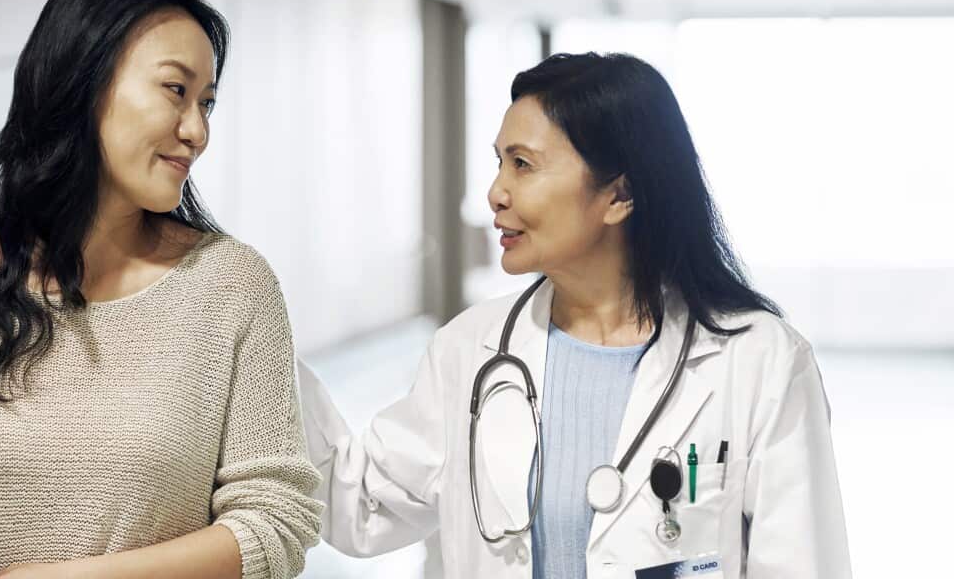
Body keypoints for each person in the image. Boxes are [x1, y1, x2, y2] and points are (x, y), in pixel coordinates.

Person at [0, 0, 321, 579]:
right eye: (175, 90)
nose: (196, 130)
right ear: (82, 83)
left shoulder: (233, 285)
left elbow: (277, 520)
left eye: (207, 102)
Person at [300, 52, 851, 578]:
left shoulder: (760, 361)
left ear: (619, 196)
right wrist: (257, 339)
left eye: (523, 165)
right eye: (499, 163)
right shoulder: (470, 350)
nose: (496, 192)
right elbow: (361, 505)